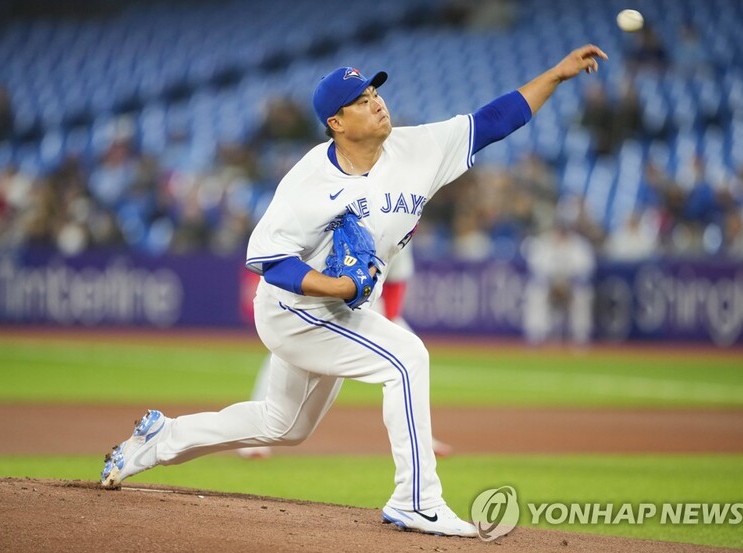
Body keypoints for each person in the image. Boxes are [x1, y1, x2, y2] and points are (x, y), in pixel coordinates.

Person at [101, 45, 608, 538]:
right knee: (406, 357)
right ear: (336, 123)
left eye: (375, 92)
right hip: (294, 309)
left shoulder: (416, 149)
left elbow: (494, 121)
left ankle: (161, 438)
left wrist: (556, 75)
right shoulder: (310, 181)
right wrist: (338, 285)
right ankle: (418, 501)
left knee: (284, 425)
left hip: (336, 310)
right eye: (361, 100)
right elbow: (266, 259)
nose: (376, 102)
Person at [236, 244, 454, 460]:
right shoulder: (337, 215)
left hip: (370, 308)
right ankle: (252, 439)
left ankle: (422, 440)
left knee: (411, 357)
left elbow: (397, 281)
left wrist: (390, 321)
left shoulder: (401, 223)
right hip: (320, 305)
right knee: (283, 355)